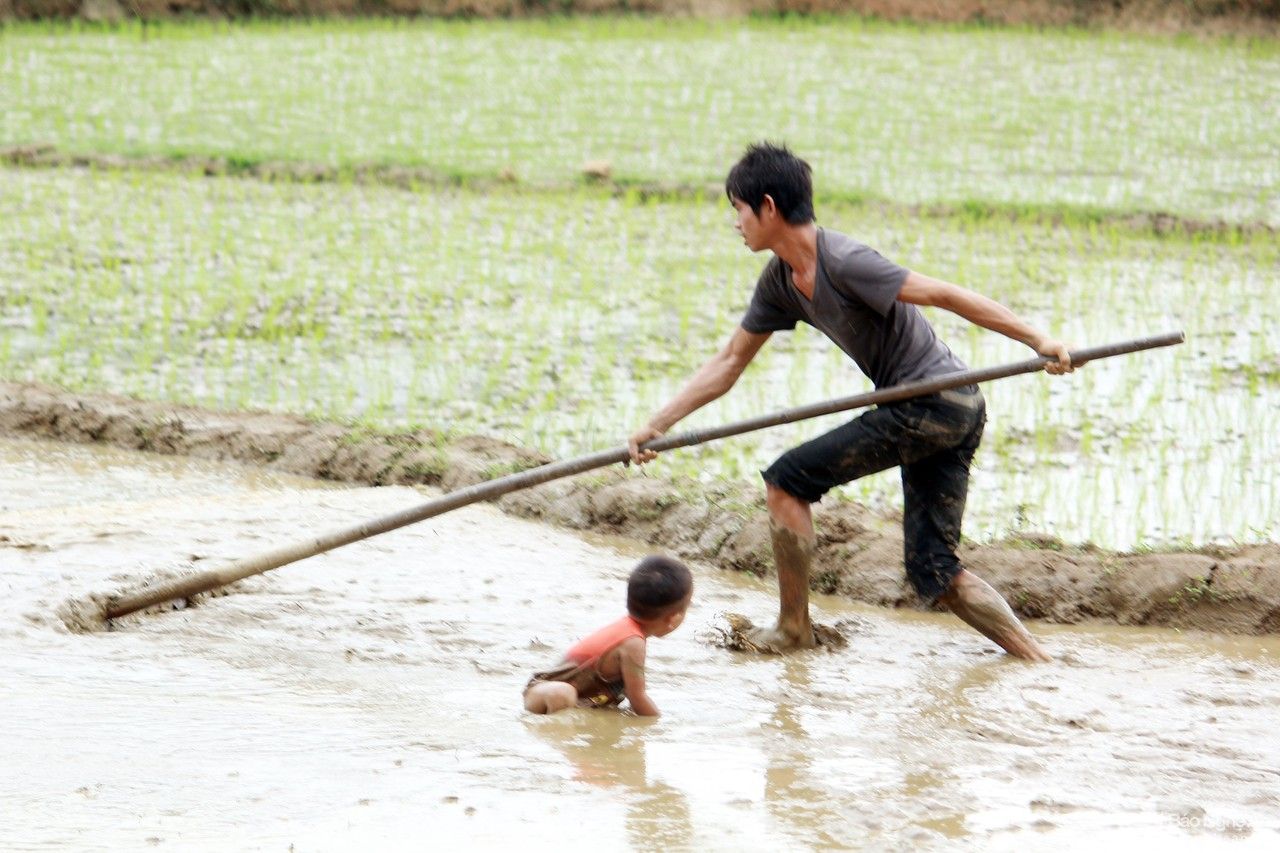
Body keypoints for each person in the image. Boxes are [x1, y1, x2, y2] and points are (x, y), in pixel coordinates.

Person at [628, 142, 1073, 662]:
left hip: (931, 401)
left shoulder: (846, 261)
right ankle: (1038, 662)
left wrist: (1037, 340)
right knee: (933, 568)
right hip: (950, 409)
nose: (736, 224)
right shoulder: (780, 281)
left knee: (786, 482)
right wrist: (656, 425)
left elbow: (944, 294)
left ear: (768, 208)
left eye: (738, 210)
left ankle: (793, 628)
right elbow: (730, 362)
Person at [523, 555, 693, 716]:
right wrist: (658, 727)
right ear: (673, 618)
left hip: (575, 701)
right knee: (563, 693)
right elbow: (637, 698)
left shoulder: (630, 632)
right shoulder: (632, 642)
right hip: (543, 693)